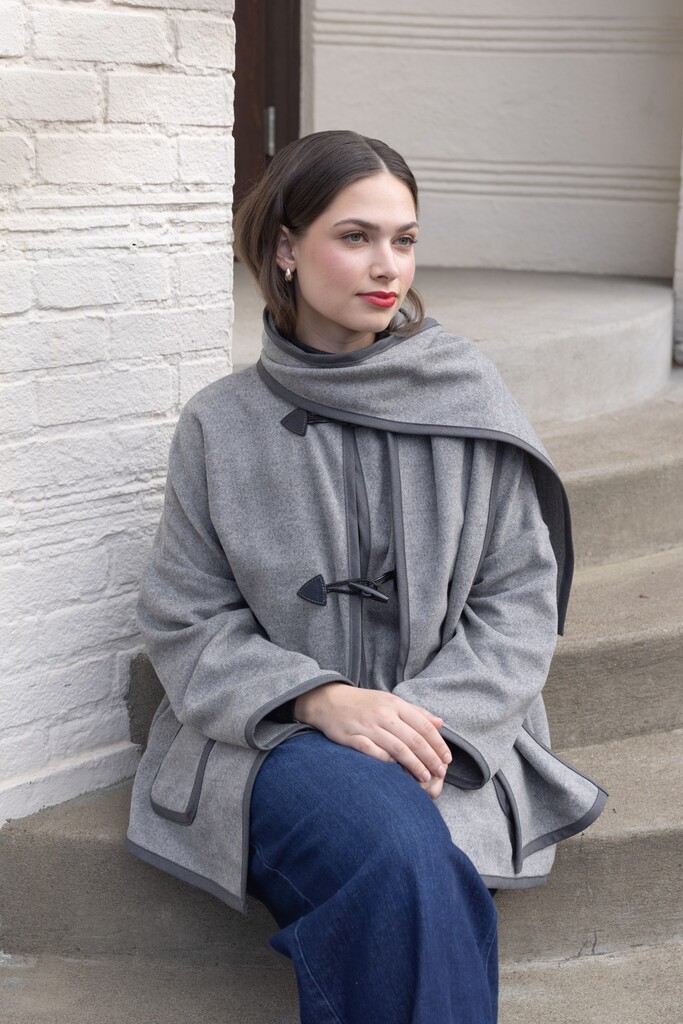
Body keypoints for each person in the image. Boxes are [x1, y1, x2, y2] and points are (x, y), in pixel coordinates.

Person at [125, 130, 607, 1023]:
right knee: (396, 851)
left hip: (444, 735)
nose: (386, 266)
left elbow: (517, 605)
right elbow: (186, 617)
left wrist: (421, 723)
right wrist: (318, 699)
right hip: (274, 740)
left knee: (407, 858)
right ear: (284, 247)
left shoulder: (468, 397)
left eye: (404, 239)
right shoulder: (220, 425)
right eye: (354, 237)